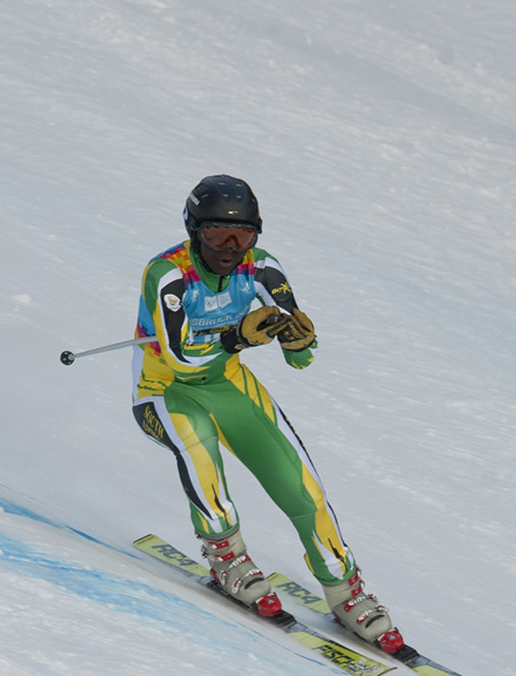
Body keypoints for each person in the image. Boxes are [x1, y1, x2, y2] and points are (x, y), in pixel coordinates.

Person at [131, 174, 404, 653]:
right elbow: (179, 357)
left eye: (244, 235)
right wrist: (237, 338)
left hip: (227, 384)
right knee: (201, 456)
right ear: (194, 230)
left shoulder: (262, 269)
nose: (231, 247)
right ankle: (226, 558)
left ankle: (344, 587)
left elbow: (301, 354)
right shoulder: (168, 273)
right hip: (163, 389)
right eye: (217, 234)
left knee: (301, 484)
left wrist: (300, 341)